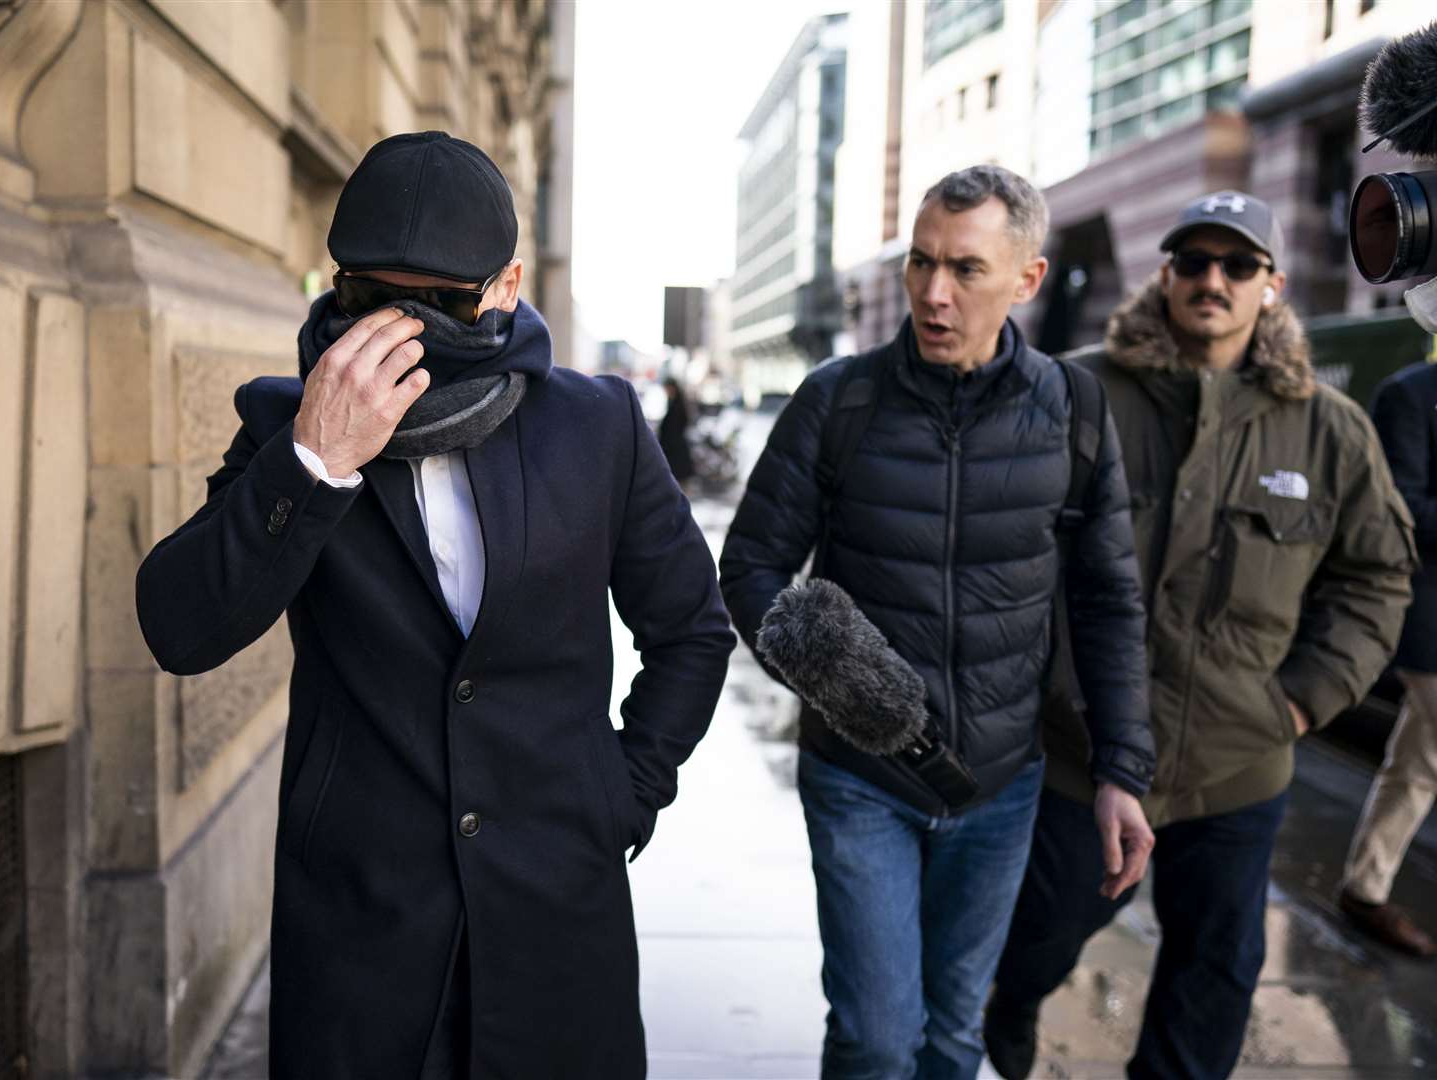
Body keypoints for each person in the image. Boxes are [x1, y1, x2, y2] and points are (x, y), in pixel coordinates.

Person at [134, 132, 735, 1079]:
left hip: (556, 908)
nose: (402, 332)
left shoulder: (600, 425)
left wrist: (624, 794)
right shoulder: (284, 425)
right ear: (336, 287)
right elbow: (180, 628)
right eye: (374, 300)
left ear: (505, 286)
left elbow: (693, 633)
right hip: (362, 924)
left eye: (440, 303)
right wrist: (317, 462)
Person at [719, 165, 1157, 1080]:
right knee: (878, 1038)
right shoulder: (837, 401)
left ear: (1027, 281)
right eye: (921, 263)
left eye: (965, 268)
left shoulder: (1075, 411)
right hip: (859, 778)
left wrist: (1122, 768)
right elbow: (752, 566)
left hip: (1001, 786)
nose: (933, 292)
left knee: (955, 1036)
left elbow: (1107, 598)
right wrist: (846, 684)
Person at [985, 191, 1418, 1080]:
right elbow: (989, 539)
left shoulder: (1329, 429)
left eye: (1237, 265)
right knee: (1028, 941)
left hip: (1236, 761)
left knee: (1212, 979)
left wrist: (1300, 703)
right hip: (1080, 753)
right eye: (1193, 262)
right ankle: (1010, 1013)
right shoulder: (1075, 391)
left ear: (1272, 285)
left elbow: (1377, 576)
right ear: (1167, 275)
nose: (1211, 280)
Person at [1337, 310, 1437, 986]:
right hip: (1436, 627)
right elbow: (1398, 510)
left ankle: (1362, 889)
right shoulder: (1409, 394)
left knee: (1417, 767)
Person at [658, 376, 696, 484]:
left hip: (675, 449)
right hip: (673, 447)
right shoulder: (674, 403)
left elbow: (676, 426)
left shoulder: (678, 406)